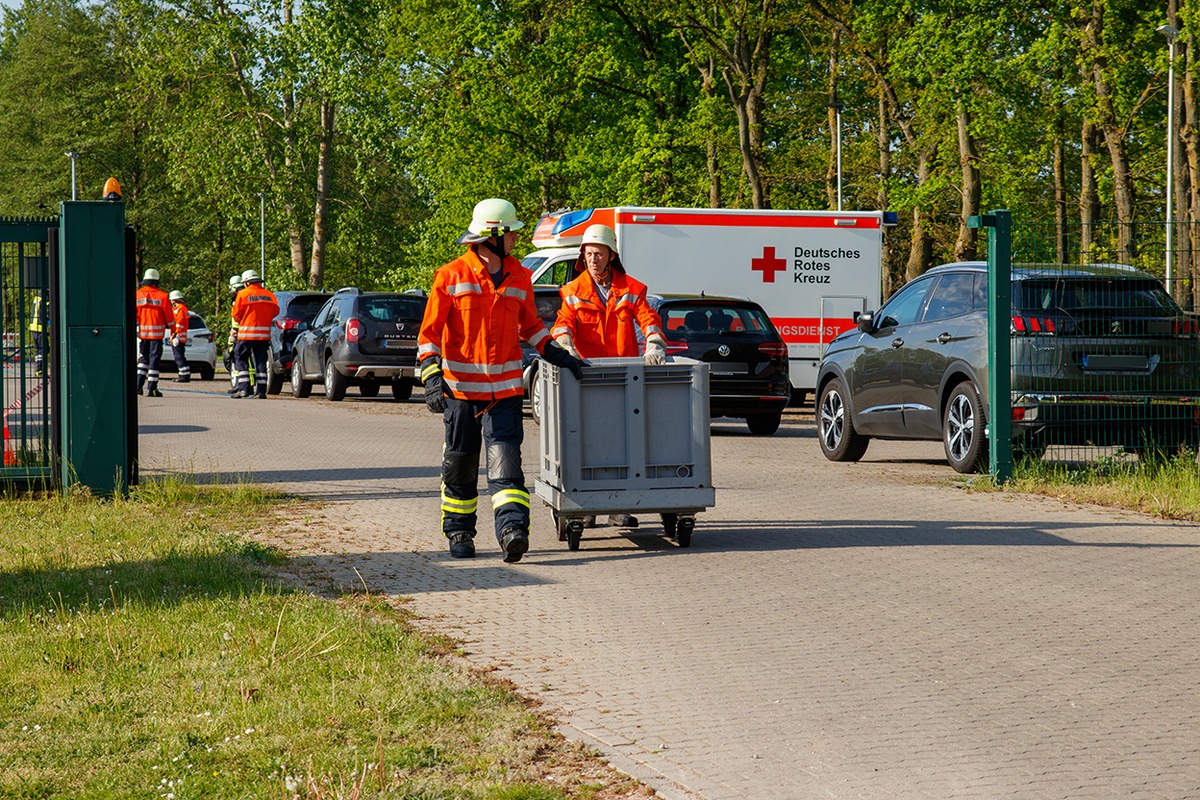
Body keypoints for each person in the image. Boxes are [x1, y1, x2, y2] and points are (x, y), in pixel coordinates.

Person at [418, 197, 585, 562]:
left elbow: (531, 327)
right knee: (460, 464)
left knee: (505, 462)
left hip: (505, 393)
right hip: (460, 393)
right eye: (511, 234)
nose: (516, 241)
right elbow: (429, 335)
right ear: (492, 235)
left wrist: (558, 355)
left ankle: (512, 531)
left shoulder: (520, 275)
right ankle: (460, 532)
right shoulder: (450, 276)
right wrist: (431, 377)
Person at [551, 223, 667, 529]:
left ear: (611, 255)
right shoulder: (573, 291)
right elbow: (563, 323)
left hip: (626, 379)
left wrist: (654, 344)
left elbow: (649, 319)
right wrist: (566, 345)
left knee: (627, 443)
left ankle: (619, 507)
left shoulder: (631, 288)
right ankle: (588, 507)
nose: (593, 259)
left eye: (598, 253)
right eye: (588, 253)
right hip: (587, 379)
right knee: (588, 441)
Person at [230, 269, 278, 399]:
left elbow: (235, 315)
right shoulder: (270, 295)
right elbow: (276, 312)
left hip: (246, 335)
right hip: (264, 336)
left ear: (245, 283)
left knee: (240, 357)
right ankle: (261, 391)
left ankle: (244, 389)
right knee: (261, 361)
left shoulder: (243, 294)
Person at [135, 268, 172, 397]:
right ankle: (152, 389)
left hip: (143, 335)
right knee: (154, 360)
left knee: (143, 360)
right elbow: (169, 317)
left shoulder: (137, 295)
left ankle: (138, 386)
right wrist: (174, 330)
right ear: (157, 281)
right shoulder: (163, 296)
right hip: (156, 336)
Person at [225, 274, 244, 394]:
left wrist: (235, 332)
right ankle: (239, 384)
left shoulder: (240, 298)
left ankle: (241, 385)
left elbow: (238, 318)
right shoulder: (239, 297)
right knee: (233, 359)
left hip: (240, 334)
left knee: (238, 359)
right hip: (238, 333)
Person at [168, 290, 191, 382]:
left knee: (179, 357)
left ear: (174, 300)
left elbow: (179, 323)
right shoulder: (181, 308)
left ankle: (184, 376)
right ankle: (183, 374)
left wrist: (176, 335)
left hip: (178, 337)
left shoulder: (180, 309)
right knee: (180, 356)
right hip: (179, 337)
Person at [29, 290, 47, 377]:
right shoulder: (45, 298)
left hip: (34, 326)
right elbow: (48, 313)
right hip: (39, 327)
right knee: (43, 349)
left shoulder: (38, 297)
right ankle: (39, 371)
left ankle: (39, 370)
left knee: (39, 349)